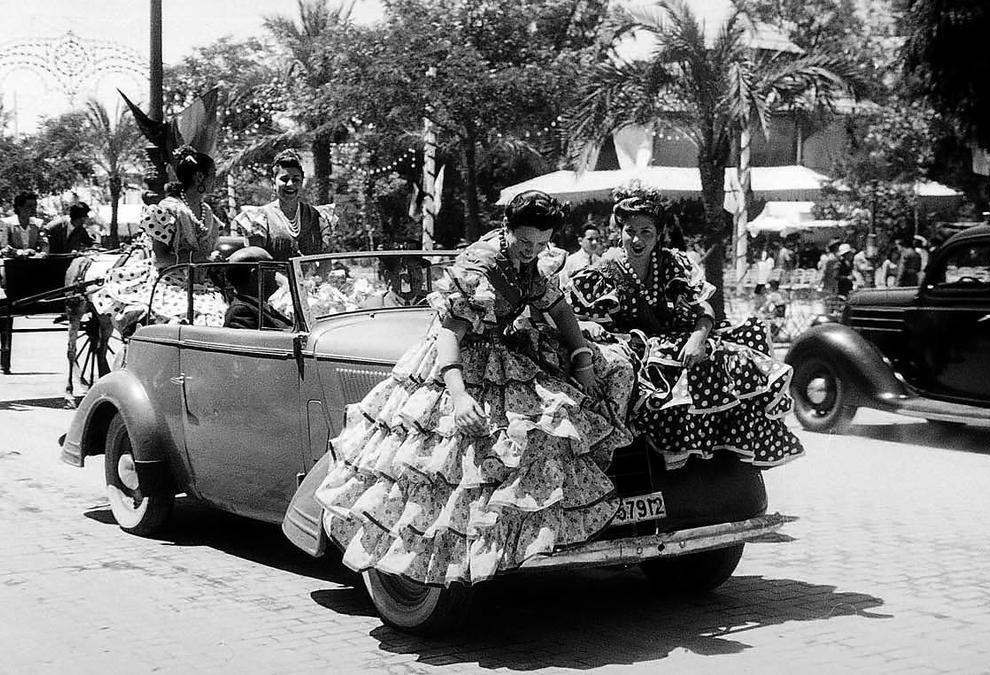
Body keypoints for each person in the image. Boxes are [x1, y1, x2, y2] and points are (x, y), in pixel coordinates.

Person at [316, 190, 635, 586]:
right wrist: (460, 394)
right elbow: (450, 334)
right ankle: (452, 560)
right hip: (458, 364)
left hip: (502, 352)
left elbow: (558, 307)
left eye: (540, 244)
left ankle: (525, 539)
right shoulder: (481, 265)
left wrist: (581, 356)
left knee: (555, 421)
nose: (532, 251)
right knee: (456, 461)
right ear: (507, 229)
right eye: (525, 242)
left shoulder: (529, 261)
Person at [569, 187, 804, 471]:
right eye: (630, 230)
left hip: (677, 339)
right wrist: (593, 327)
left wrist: (698, 338)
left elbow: (704, 309)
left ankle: (720, 462)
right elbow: (571, 316)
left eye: (646, 232)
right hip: (630, 348)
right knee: (652, 380)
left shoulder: (672, 263)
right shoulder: (602, 272)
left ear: (657, 235)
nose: (637, 239)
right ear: (620, 231)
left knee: (729, 360)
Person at [92, 146, 227, 331]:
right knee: (193, 322)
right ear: (199, 177)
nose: (216, 180)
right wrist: (199, 259)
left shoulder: (208, 212)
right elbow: (160, 258)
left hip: (202, 284)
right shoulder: (168, 210)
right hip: (171, 283)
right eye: (213, 174)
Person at [230, 149, 326, 261]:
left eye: (296, 180)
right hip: (272, 278)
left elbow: (325, 260)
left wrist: (317, 278)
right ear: (273, 183)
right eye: (284, 179)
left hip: (311, 279)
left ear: (301, 183)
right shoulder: (258, 219)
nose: (290, 184)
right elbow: (257, 263)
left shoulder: (317, 215)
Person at [222, 246, 292, 330]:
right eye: (271, 267)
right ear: (256, 274)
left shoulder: (261, 306)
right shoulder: (241, 312)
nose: (276, 273)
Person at [361, 256, 432, 308]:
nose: (416, 277)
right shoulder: (374, 305)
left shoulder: (432, 301)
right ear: (388, 276)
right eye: (405, 271)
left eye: (418, 270)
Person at [558, 223, 605, 287]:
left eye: (597, 239)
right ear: (580, 241)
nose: (595, 242)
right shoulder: (570, 261)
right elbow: (562, 285)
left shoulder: (600, 261)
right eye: (590, 239)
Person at [3, 191, 44, 255]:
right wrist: (21, 252)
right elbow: (5, 247)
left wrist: (43, 253)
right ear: (19, 207)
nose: (34, 209)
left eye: (35, 206)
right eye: (29, 206)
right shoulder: (7, 224)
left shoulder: (38, 224)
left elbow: (44, 244)